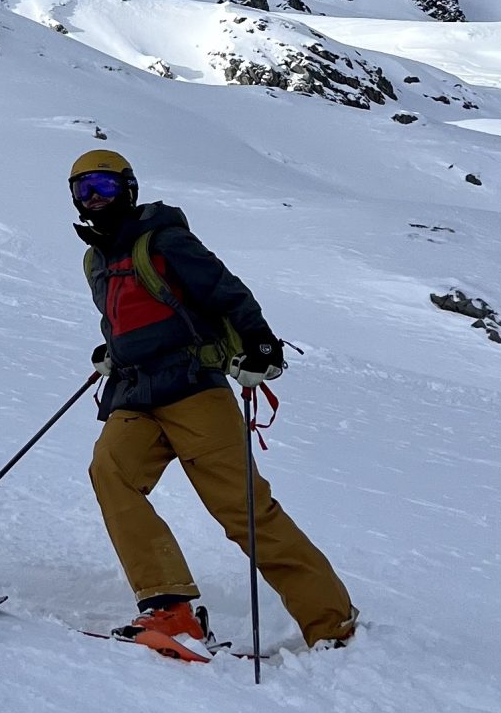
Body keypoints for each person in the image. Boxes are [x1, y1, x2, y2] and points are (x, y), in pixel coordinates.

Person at [71, 148, 356, 659]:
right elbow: (130, 316)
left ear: (128, 190)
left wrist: (261, 343)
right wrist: (111, 351)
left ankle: (333, 623)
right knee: (111, 473)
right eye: (83, 189)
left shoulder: (164, 240)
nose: (94, 198)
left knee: (245, 512)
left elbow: (226, 293)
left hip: (193, 389)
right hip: (135, 393)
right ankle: (169, 608)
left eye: (104, 187)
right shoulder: (97, 260)